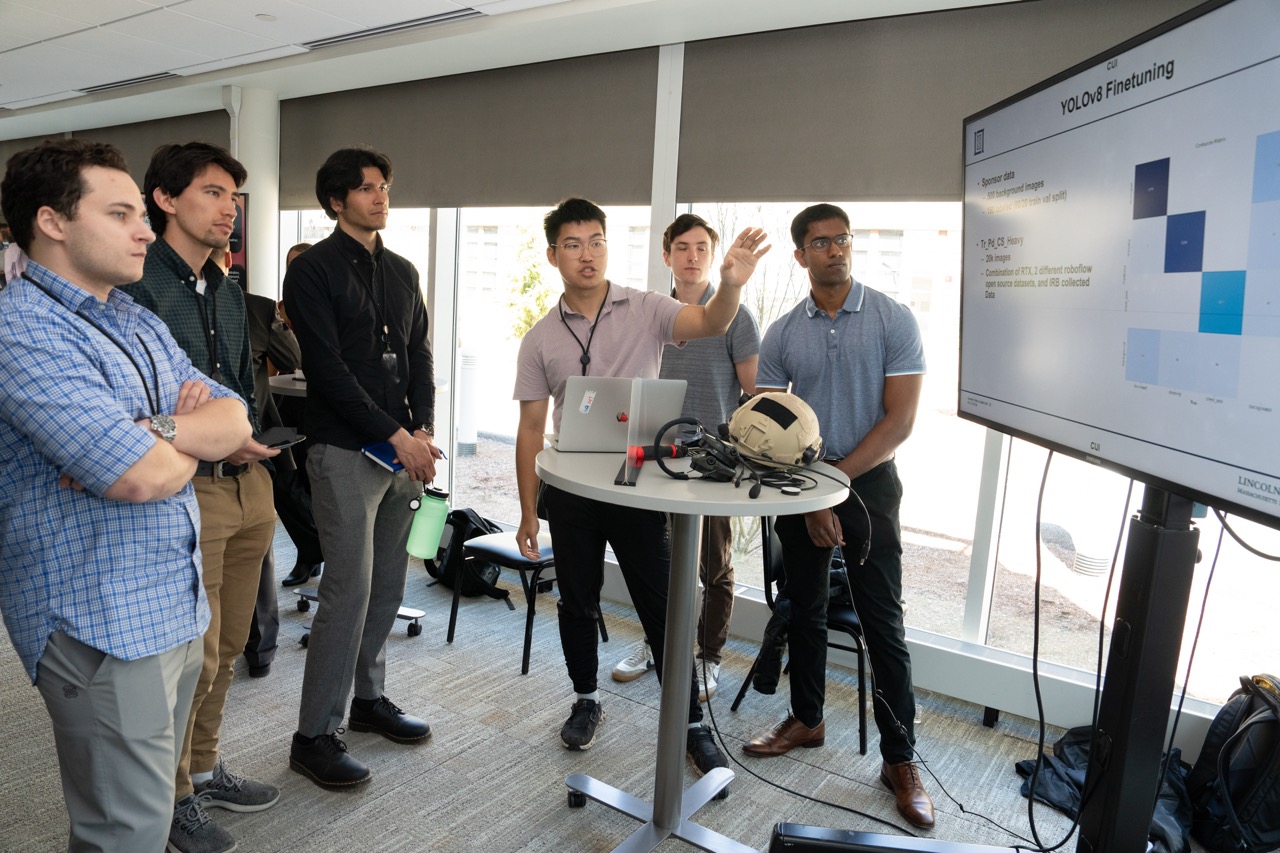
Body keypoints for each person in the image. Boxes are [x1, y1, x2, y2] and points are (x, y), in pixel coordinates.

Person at [0, 139, 252, 851]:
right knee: (126, 831)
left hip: (170, 603)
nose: (145, 229)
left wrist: (158, 431)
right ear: (52, 222)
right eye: (121, 213)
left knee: (146, 814)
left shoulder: (132, 319)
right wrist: (178, 441)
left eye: (141, 213)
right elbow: (138, 475)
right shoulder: (22, 329)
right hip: (98, 619)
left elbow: (235, 418)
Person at [513, 197, 768, 774]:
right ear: (554, 255)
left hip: (637, 486)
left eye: (597, 241)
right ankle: (586, 699)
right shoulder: (539, 339)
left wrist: (728, 284)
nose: (588, 254)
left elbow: (709, 322)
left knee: (664, 608)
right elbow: (531, 429)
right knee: (576, 601)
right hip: (572, 493)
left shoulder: (648, 308)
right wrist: (529, 512)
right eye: (574, 244)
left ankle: (690, 722)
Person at [741, 203, 933, 829]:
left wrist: (835, 489)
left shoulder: (891, 317)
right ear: (800, 255)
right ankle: (808, 719)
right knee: (805, 607)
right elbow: (766, 425)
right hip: (803, 485)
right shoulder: (783, 332)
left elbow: (899, 420)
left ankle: (899, 760)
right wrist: (814, 492)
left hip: (868, 485)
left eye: (842, 240)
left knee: (883, 624)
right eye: (821, 242)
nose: (835, 250)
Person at [123, 141, 282, 853]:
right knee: (199, 653)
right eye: (214, 193)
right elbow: (138, 410)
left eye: (233, 198)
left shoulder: (224, 285)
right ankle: (173, 795)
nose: (229, 210)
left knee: (233, 640)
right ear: (165, 199)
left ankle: (205, 764)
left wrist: (242, 429)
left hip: (250, 481)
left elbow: (242, 386)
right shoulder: (136, 287)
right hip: (188, 487)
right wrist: (202, 427)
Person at [283, 146, 441, 790]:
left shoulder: (402, 270)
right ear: (335, 200)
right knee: (346, 591)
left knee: (386, 588)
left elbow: (419, 355)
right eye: (368, 188)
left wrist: (422, 430)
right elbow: (328, 372)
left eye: (385, 186)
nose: (380, 197)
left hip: (402, 450)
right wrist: (396, 435)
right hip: (346, 450)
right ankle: (313, 735)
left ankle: (368, 703)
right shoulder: (313, 271)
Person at [611, 213, 760, 702]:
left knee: (713, 566)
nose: (692, 257)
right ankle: (661, 645)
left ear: (712, 257)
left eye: (701, 248)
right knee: (660, 560)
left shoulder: (735, 314)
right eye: (682, 248)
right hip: (657, 452)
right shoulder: (652, 312)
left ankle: (709, 657)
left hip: (713, 459)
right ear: (667, 255)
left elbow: (754, 394)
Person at [240, 277, 304, 677]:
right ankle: (260, 650)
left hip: (249, 451)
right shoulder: (260, 310)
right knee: (258, 553)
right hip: (252, 446)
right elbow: (294, 356)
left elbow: (293, 358)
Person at [274, 241, 326, 588]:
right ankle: (312, 547)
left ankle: (316, 551)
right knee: (284, 483)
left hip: (324, 406)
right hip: (286, 401)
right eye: (291, 265)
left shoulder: (329, 305)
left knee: (316, 483)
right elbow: (287, 360)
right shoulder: (277, 311)